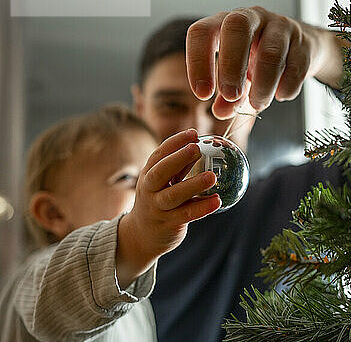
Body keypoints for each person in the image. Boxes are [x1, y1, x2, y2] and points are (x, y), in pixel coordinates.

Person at [132, 7, 351, 342]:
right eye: (171, 105)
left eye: (219, 101)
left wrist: (326, 51)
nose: (198, 129)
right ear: (140, 108)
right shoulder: (107, 239)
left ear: (251, 105)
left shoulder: (301, 203)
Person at [0, 105, 221, 341]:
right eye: (126, 178)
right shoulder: (34, 279)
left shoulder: (136, 301)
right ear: (54, 213)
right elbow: (58, 297)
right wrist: (136, 237)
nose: (148, 190)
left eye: (151, 174)